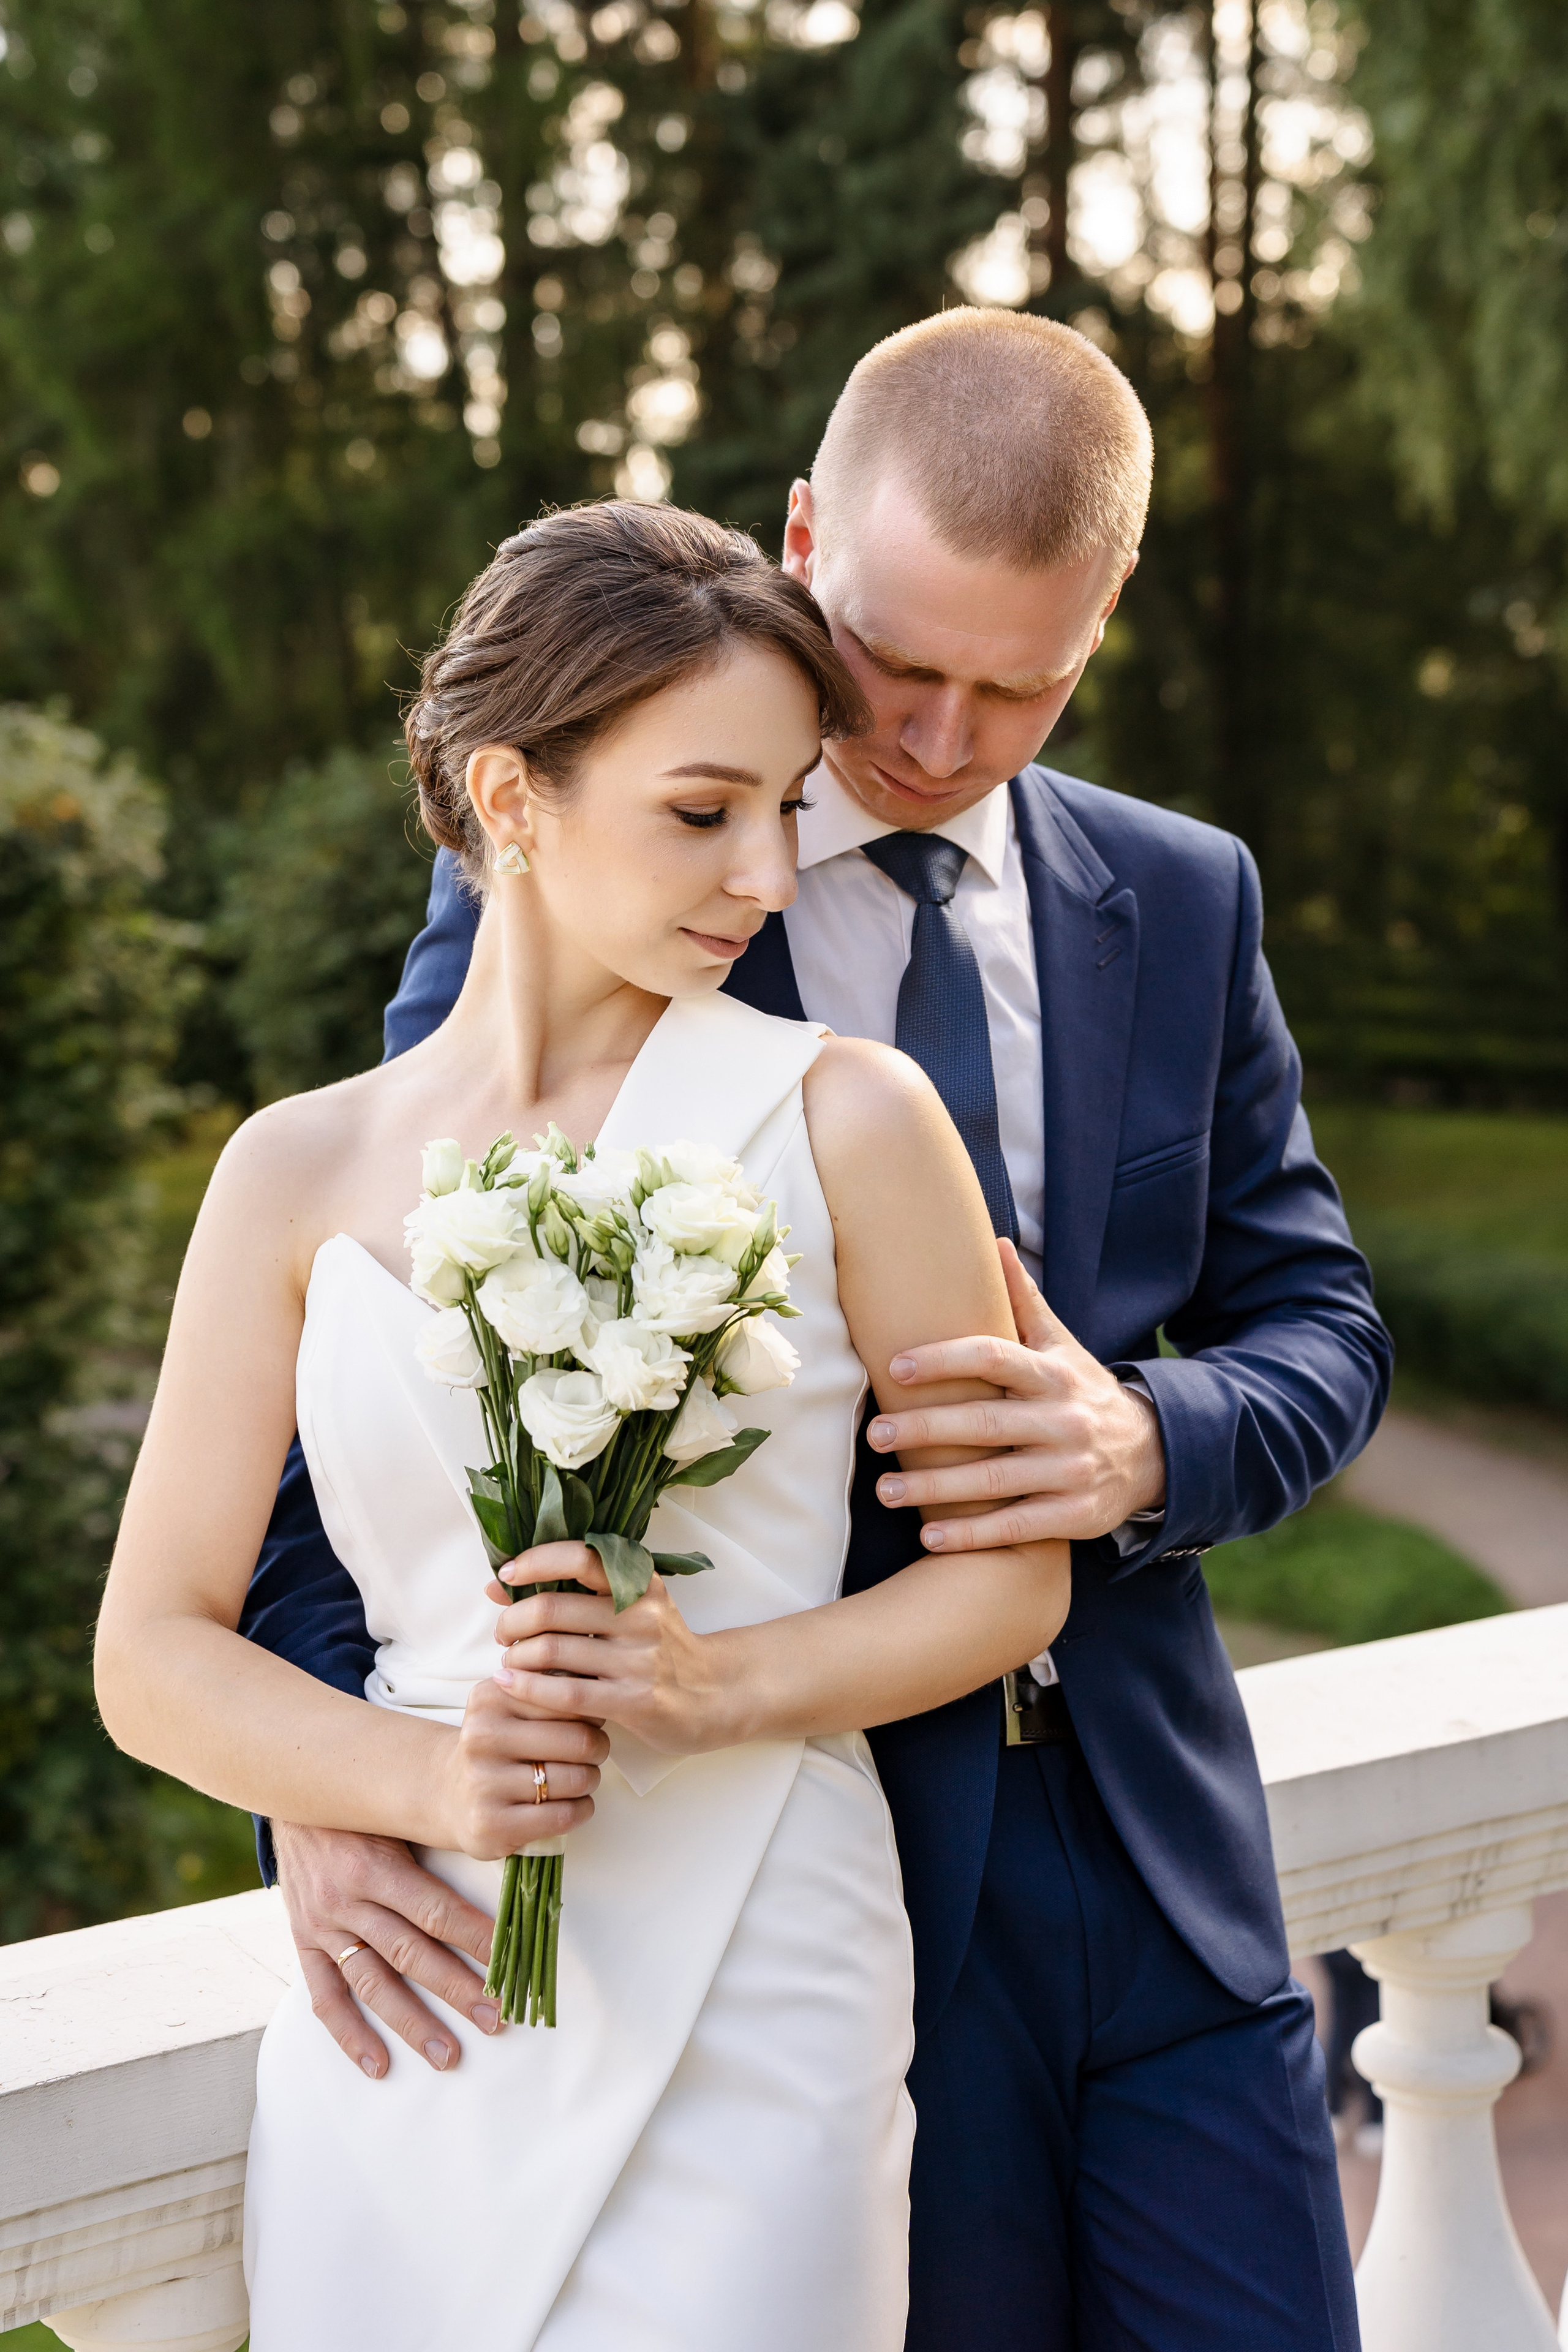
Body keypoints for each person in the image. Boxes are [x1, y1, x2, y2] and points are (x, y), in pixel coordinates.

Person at [242, 311, 1392, 2348]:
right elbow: (391, 1371)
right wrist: (337, 1779)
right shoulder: (583, 888)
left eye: (1017, 686)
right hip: (827, 1866)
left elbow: (1315, 1317)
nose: (940, 740)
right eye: (899, 664)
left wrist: (1147, 1440)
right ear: (798, 540)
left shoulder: (1183, 892)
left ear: (1104, 619)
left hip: (1165, 1859)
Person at [94, 500, 1073, 2350]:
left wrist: (724, 1689)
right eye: (705, 812)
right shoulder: (291, 1169)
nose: (771, 874)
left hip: (764, 1957)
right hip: (422, 1984)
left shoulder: (857, 1118)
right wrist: (411, 1787)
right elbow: (150, 1652)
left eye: (790, 806)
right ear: (514, 798)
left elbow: (1013, 1587)